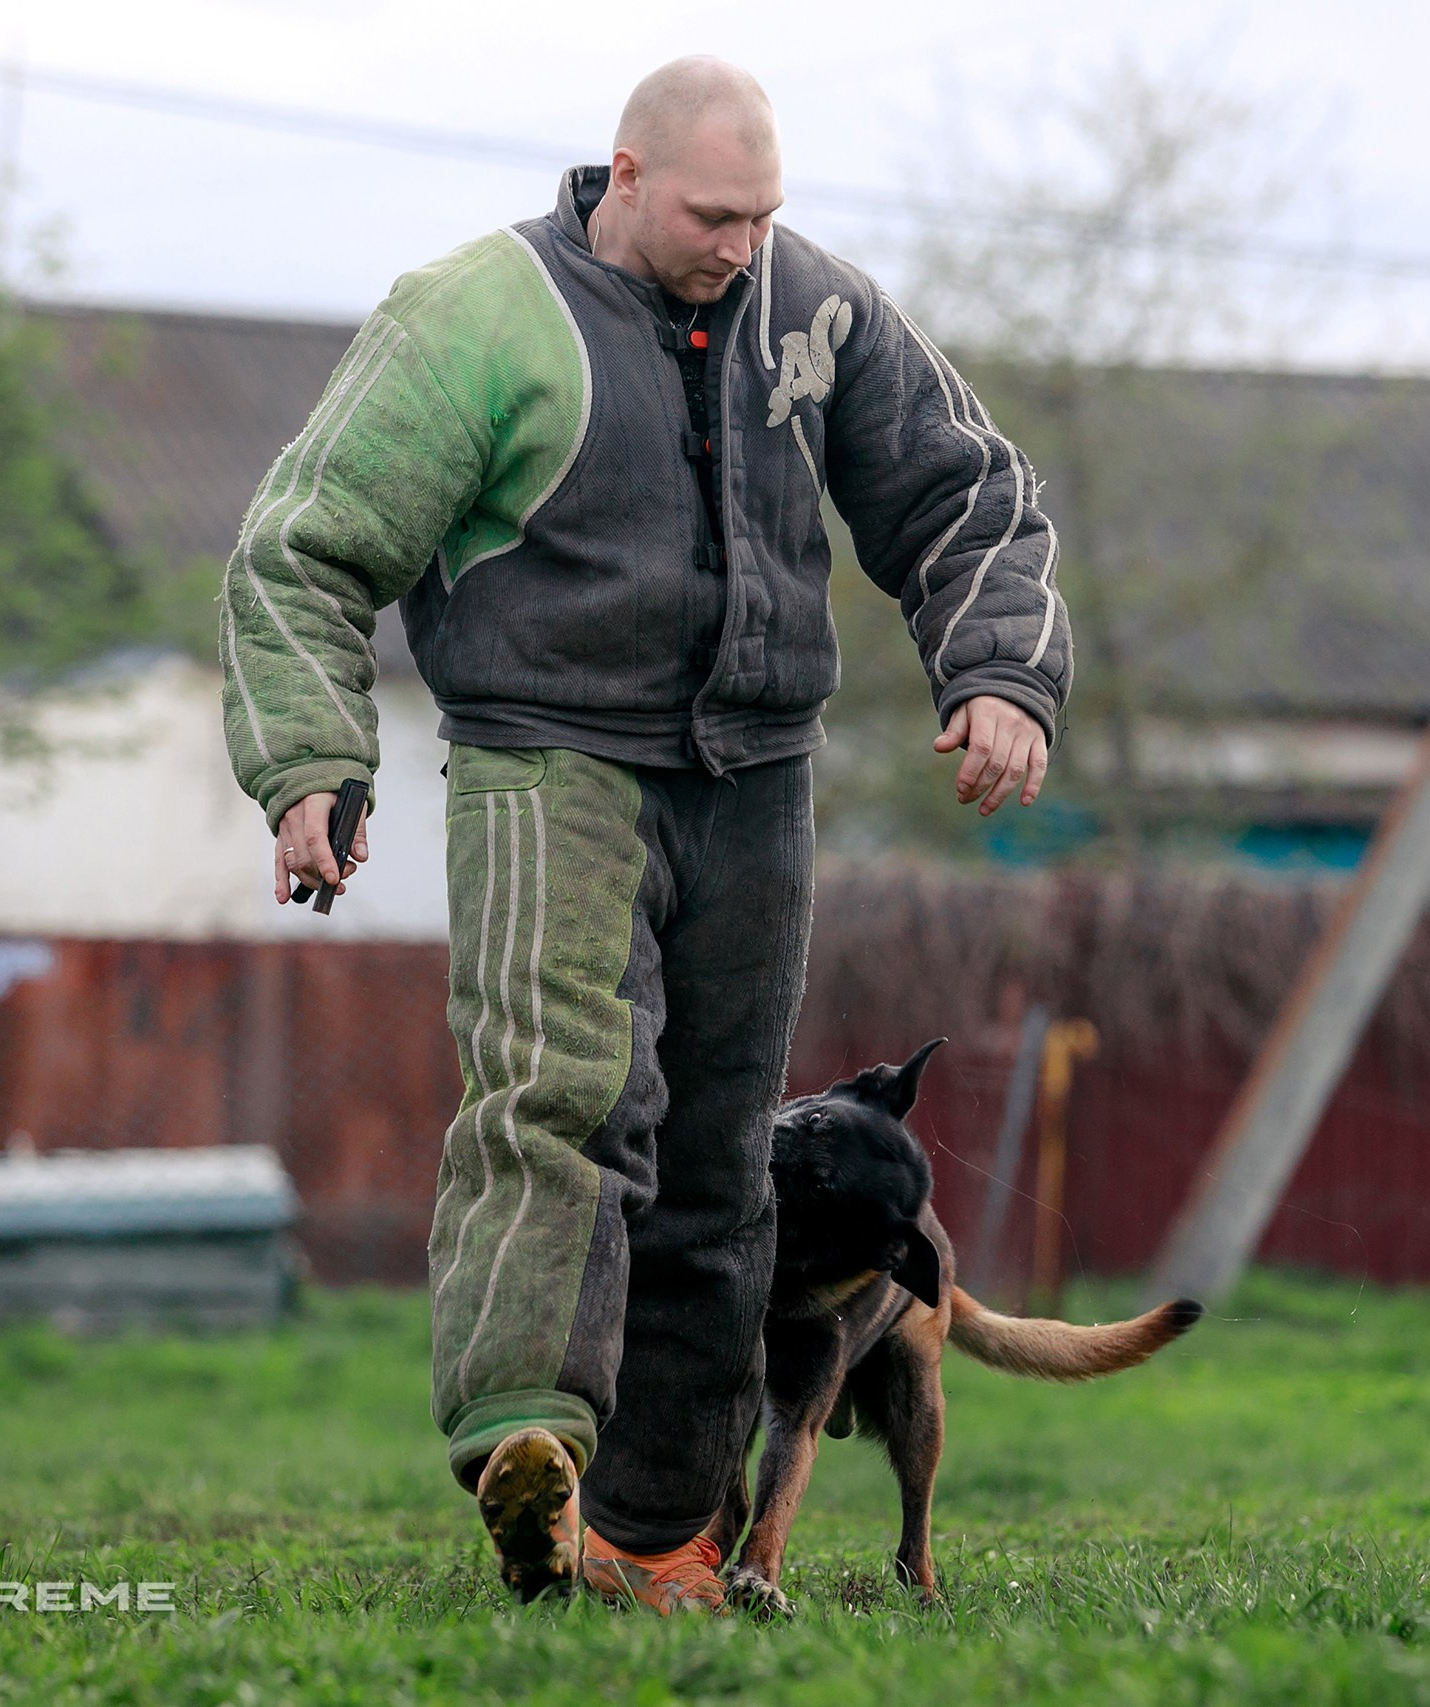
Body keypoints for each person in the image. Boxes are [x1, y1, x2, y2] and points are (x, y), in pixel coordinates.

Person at [221, 55, 1068, 1614]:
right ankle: (527, 1437)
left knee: (720, 1163)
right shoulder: (476, 318)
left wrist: (1001, 670)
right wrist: (308, 768)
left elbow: (968, 491)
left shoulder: (811, 309)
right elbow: (303, 556)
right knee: (562, 1104)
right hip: (552, 764)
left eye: (767, 215)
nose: (744, 245)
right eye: (714, 214)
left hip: (757, 778)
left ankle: (657, 1535)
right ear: (625, 176)